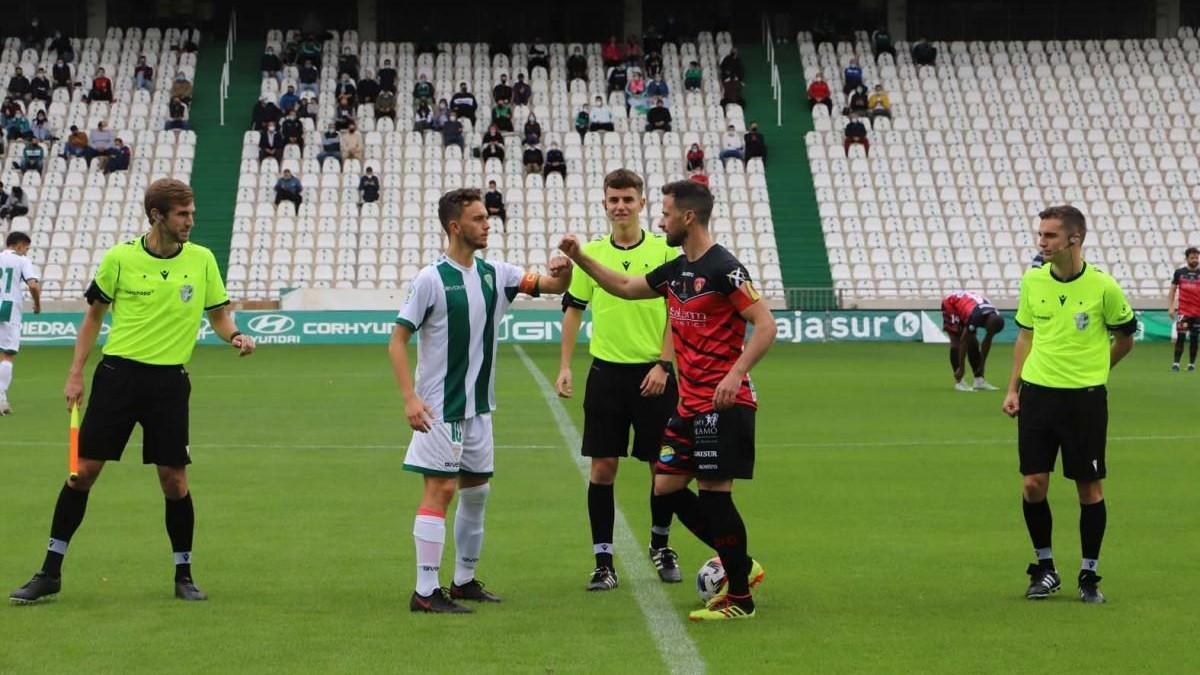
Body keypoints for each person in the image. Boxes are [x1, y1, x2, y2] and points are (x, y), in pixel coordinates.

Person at [7, 178, 255, 605]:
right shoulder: (119, 258)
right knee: (81, 473)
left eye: (192, 213)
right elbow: (92, 319)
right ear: (156, 215)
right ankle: (49, 572)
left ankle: (184, 575)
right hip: (118, 378)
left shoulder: (202, 260)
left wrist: (234, 336)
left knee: (174, 480)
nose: (191, 221)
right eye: (183, 214)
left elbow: (219, 317)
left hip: (169, 383)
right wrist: (75, 374)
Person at [557, 179, 775, 621]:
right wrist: (579, 256)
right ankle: (739, 564)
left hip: (722, 403)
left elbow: (765, 325)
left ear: (688, 217)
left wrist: (736, 374)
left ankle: (739, 597)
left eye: (667, 213)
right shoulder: (675, 270)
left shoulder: (725, 268)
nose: (661, 220)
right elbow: (622, 284)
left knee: (715, 496)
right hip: (687, 406)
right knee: (667, 486)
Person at [391, 187, 572, 613]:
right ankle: (425, 591)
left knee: (477, 492)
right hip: (441, 408)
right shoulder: (430, 279)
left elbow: (549, 285)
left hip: (479, 408)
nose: (487, 223)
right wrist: (410, 398)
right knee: (440, 490)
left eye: (487, 217)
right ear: (455, 227)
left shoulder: (497, 273)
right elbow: (397, 341)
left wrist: (563, 269)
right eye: (478, 218)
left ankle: (463, 581)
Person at [1003, 205, 1136, 605]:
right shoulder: (1032, 281)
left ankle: (1089, 574)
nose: (1041, 242)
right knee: (1032, 484)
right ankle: (1044, 568)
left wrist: (1097, 372)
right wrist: (1013, 388)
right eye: (1040, 234)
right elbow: (1025, 336)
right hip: (1038, 395)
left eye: (1049, 236)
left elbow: (1126, 337)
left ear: (1073, 239)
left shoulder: (1104, 287)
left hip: (1085, 400)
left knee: (1088, 489)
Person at [556, 170, 681, 590]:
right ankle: (603, 561)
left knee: (661, 469)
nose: (621, 206)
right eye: (614, 199)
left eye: (628, 198)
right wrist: (566, 366)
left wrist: (664, 364)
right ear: (605, 204)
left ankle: (661, 545)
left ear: (642, 203)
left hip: (655, 374)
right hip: (606, 374)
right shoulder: (590, 254)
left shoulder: (665, 251)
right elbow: (573, 308)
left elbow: (678, 314)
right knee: (603, 469)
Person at [0, 231, 42, 415]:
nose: (26, 252)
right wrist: (37, 304)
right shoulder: (21, 260)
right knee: (7, 354)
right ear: (19, 246)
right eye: (26, 248)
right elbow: (32, 284)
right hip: (8, 309)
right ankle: (1, 398)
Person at [941, 291, 1005, 391]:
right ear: (986, 323)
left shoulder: (995, 316)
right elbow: (963, 341)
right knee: (956, 339)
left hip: (969, 306)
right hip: (952, 304)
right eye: (988, 330)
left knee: (973, 342)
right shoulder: (976, 316)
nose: (989, 333)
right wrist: (962, 368)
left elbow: (987, 341)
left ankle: (979, 380)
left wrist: (982, 364)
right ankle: (959, 381)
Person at [1168, 246, 1200, 371]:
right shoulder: (1179, 273)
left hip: (1198, 313)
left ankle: (1191, 364)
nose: (1195, 260)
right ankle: (1176, 363)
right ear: (1187, 259)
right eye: (1192, 258)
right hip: (1184, 312)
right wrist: (1171, 307)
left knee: (1194, 338)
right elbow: (1172, 290)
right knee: (1180, 337)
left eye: (1196, 257)